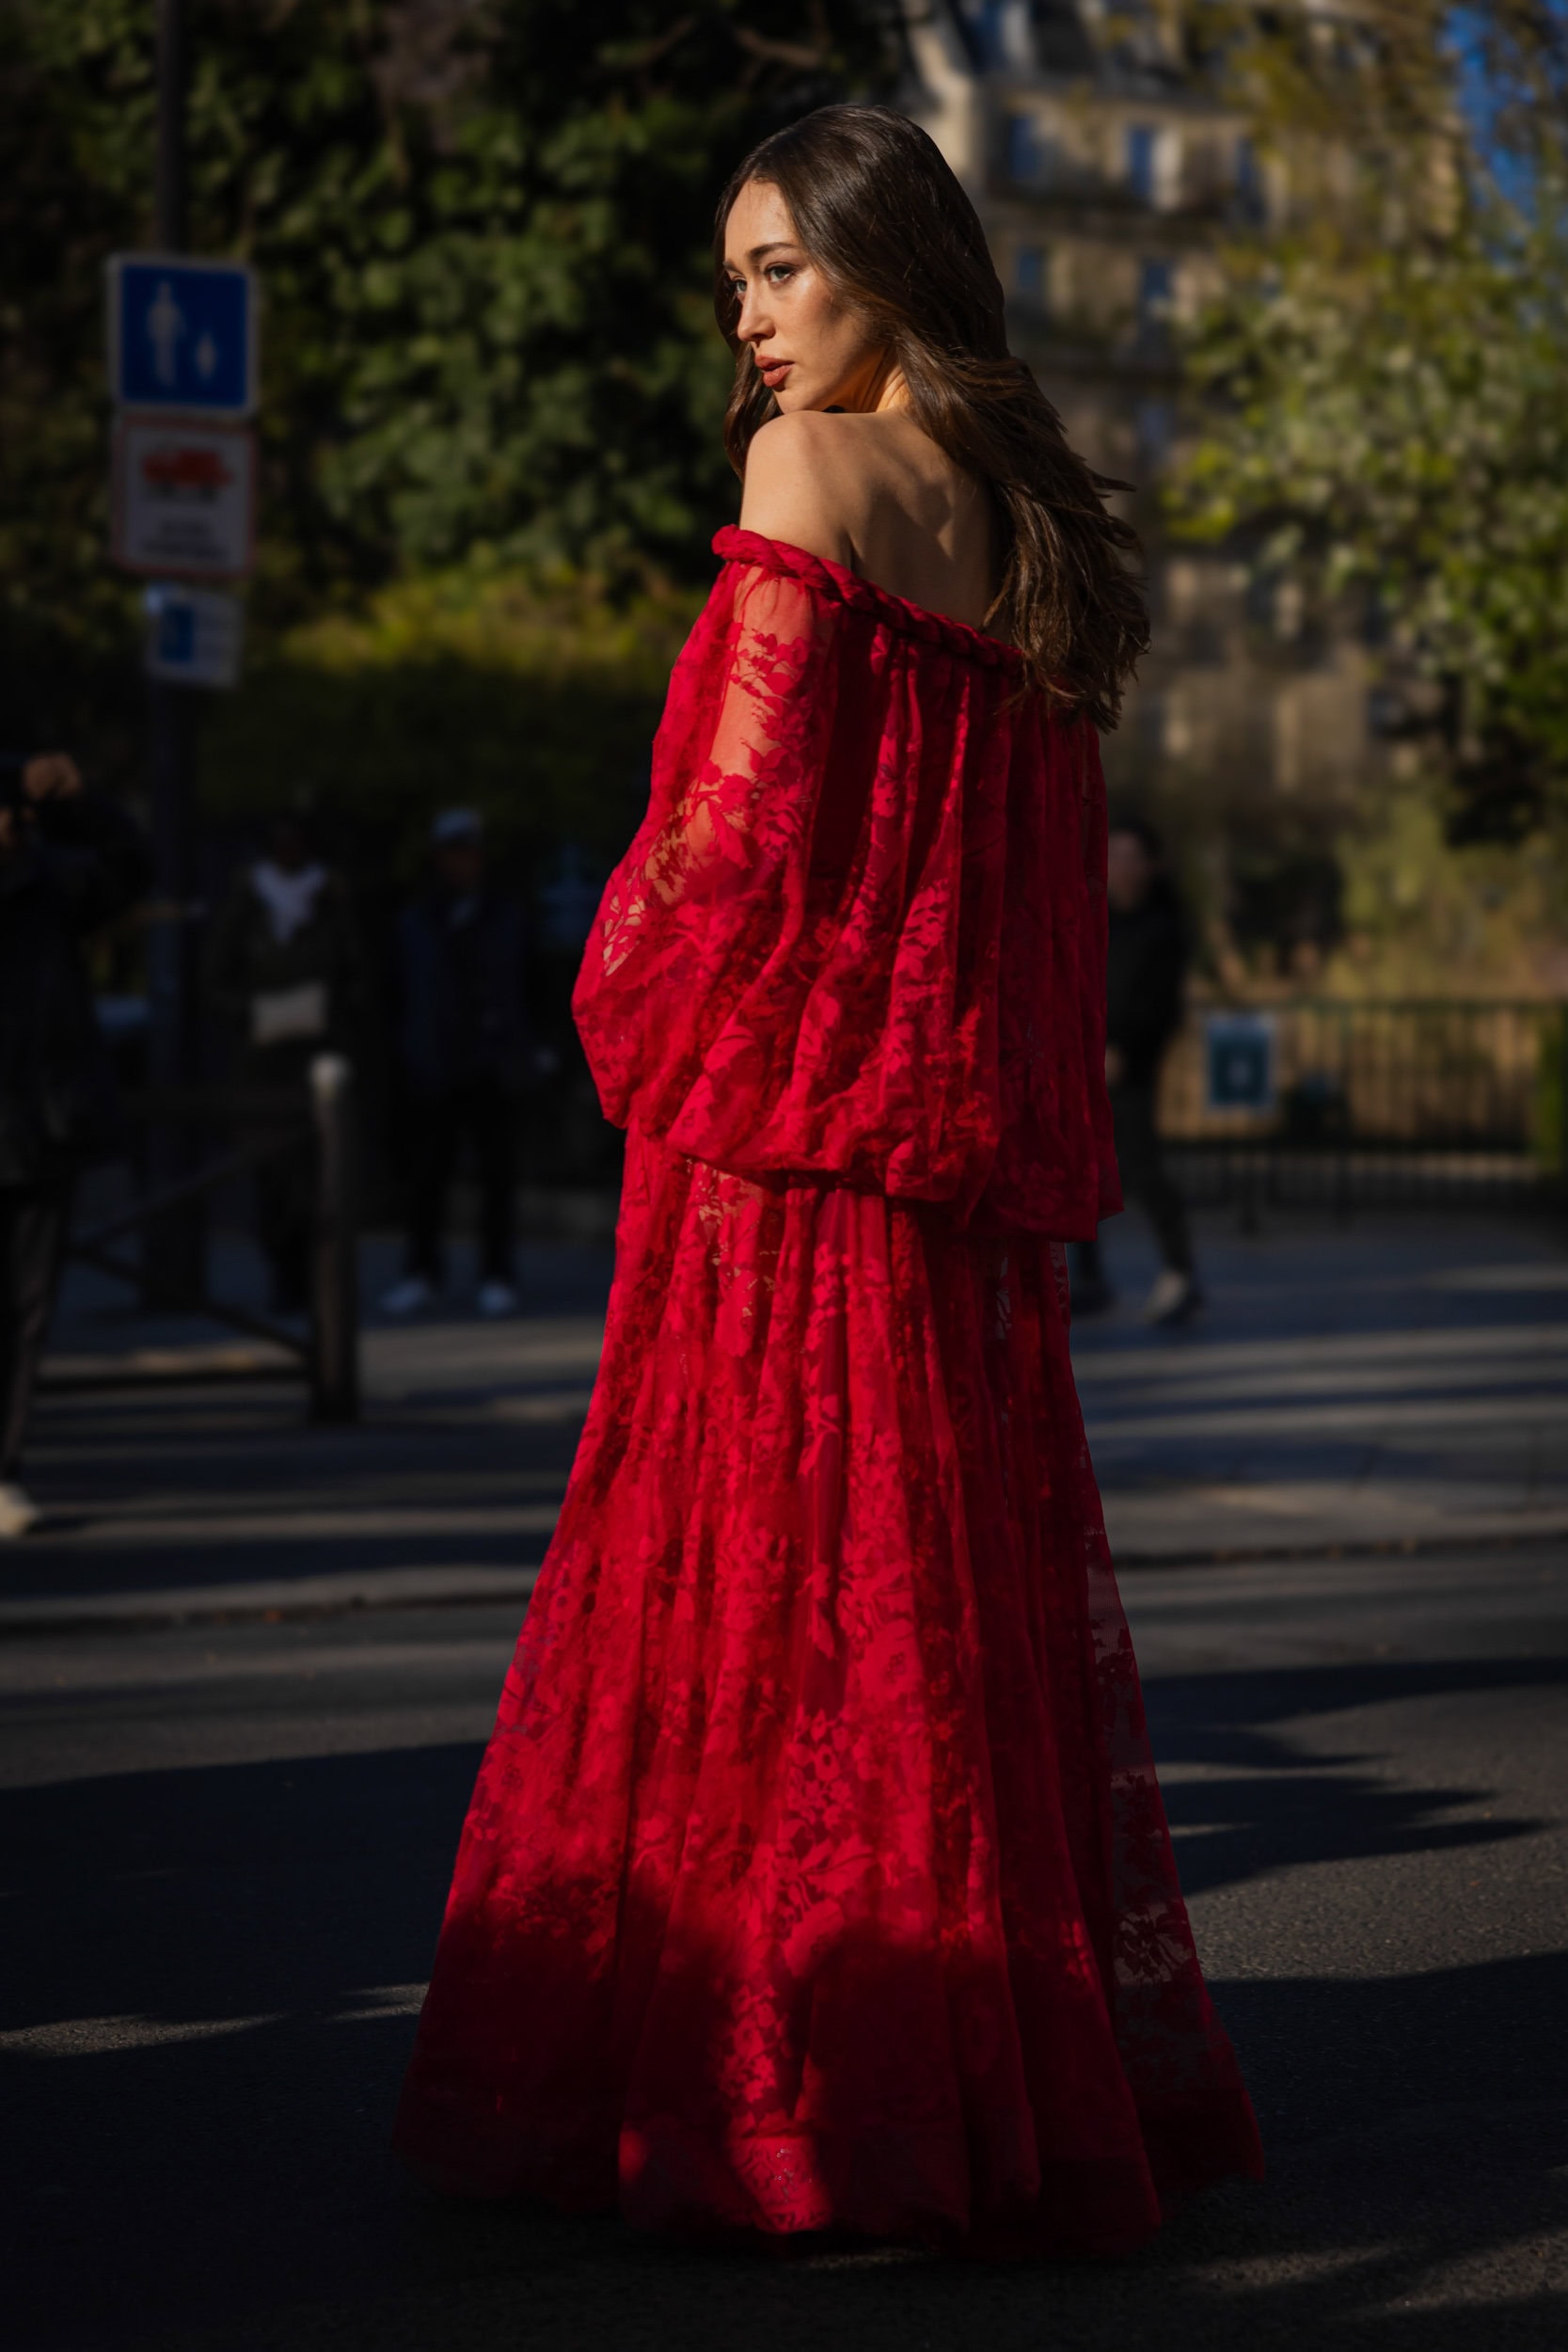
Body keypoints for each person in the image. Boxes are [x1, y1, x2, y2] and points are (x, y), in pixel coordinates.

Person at [395, 105, 1261, 2250]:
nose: (751, 320)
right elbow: (1022, 902)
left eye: (779, 265)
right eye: (737, 283)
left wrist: (626, 976)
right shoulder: (1032, 532)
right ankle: (951, 2090)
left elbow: (747, 819)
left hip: (786, 1146)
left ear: (885, 254)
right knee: (936, 1620)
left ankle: (783, 2087)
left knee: (762, 1600)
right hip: (950, 1170)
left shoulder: (811, 477)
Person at [0, 752, 150, 1538]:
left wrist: (82, 803)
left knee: (26, 1309)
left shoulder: (50, 884)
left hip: (39, 1122)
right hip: (29, 1115)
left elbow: (132, 869)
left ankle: (3, 1468)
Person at [207, 815, 365, 1312]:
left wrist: (328, 1015)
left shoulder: (333, 902)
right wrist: (259, 1014)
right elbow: (213, 981)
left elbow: (360, 977)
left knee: (320, 1176)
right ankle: (283, 1275)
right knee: (271, 1176)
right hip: (261, 1063)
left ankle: (318, 1280)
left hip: (319, 1060)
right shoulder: (244, 905)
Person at [382, 810, 528, 1319]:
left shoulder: (505, 916)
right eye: (451, 853)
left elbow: (526, 987)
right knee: (428, 1176)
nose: (460, 864)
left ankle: (497, 1273)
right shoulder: (416, 920)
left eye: (468, 853)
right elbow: (396, 992)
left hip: (490, 1062)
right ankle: (421, 1271)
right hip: (434, 1065)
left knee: (496, 1176)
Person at [1072, 817, 1202, 1325]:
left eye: (1131, 857)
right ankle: (1088, 1276)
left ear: (1151, 866)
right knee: (1081, 1170)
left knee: (1141, 1167)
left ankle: (1180, 1270)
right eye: (1114, 856)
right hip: (1086, 1061)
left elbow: (1162, 1007)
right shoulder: (1092, 917)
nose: (1121, 868)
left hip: (1132, 1067)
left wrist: (1124, 1049)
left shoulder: (1163, 928)